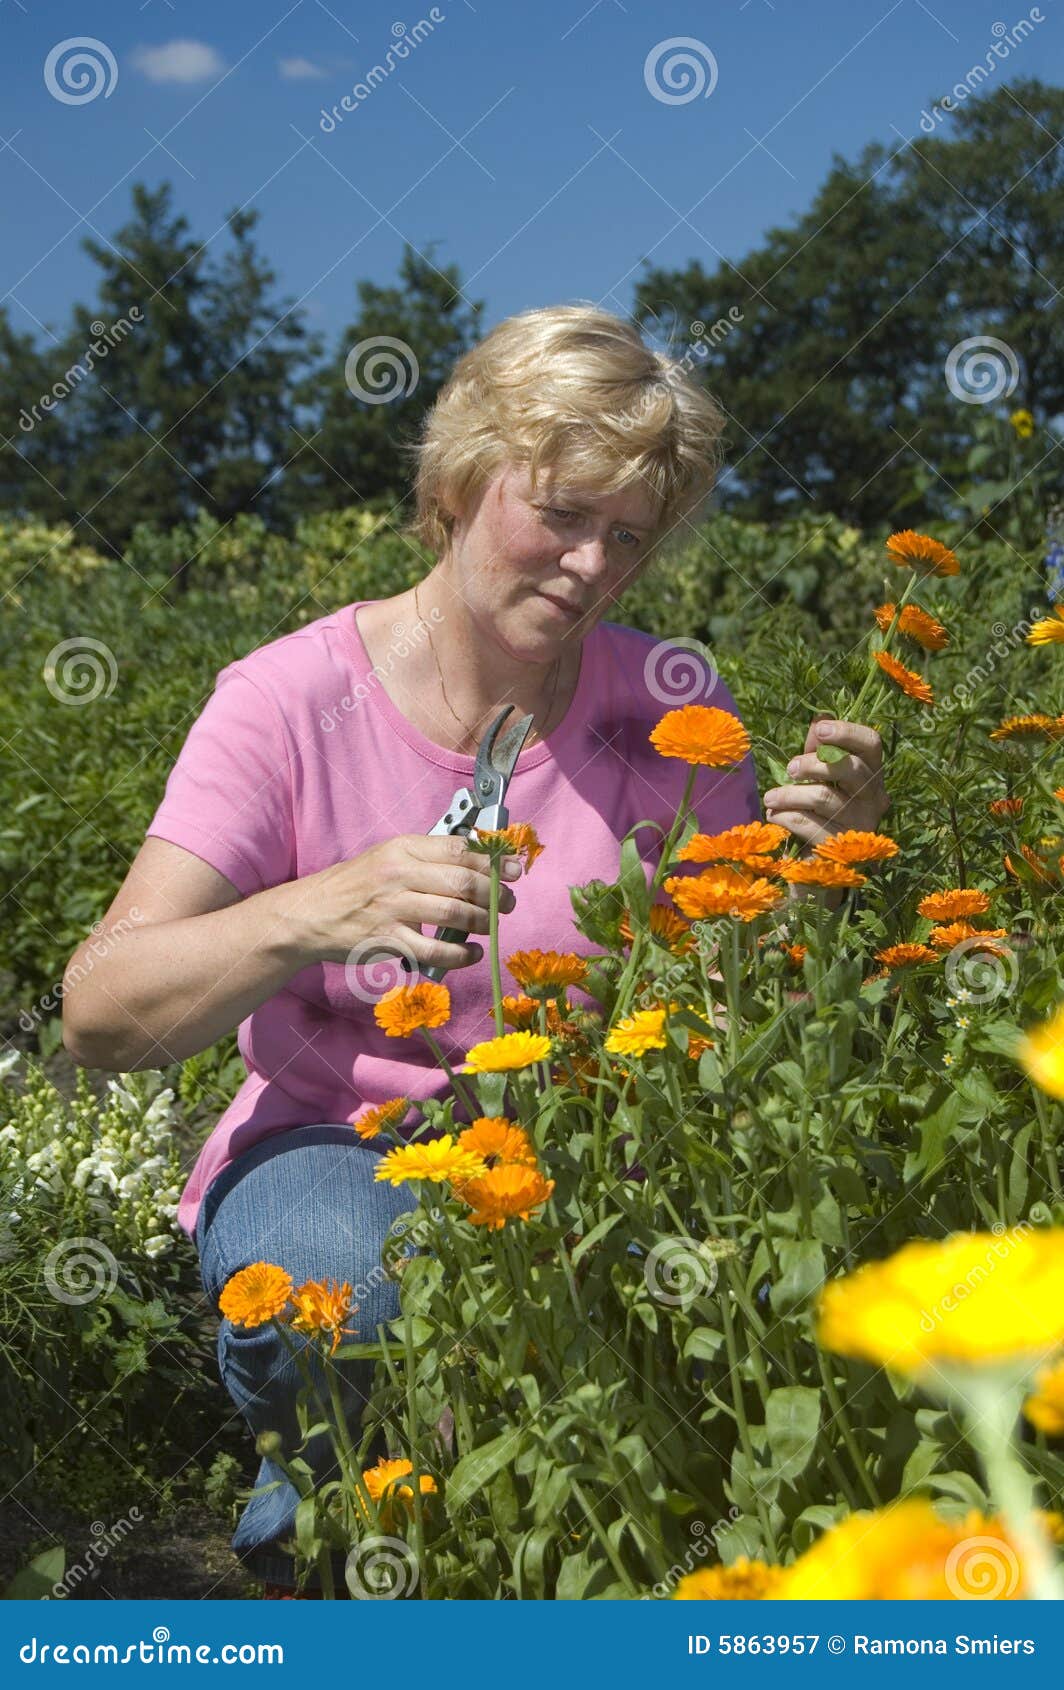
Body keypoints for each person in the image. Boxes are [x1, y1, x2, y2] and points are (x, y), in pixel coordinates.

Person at [60, 303, 889, 1595]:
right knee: (358, 1296)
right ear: (456, 483)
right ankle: (350, 1580)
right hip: (343, 1145)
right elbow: (101, 1013)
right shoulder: (286, 699)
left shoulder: (672, 699)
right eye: (560, 512)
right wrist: (318, 906)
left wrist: (825, 878)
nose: (588, 564)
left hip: (604, 1152)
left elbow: (737, 998)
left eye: (628, 536)